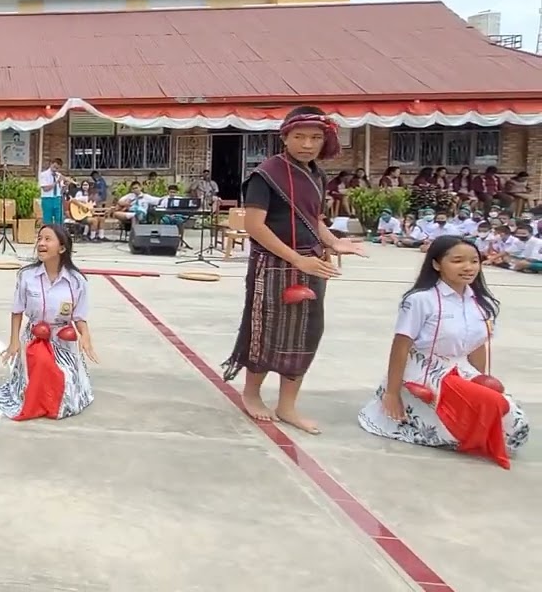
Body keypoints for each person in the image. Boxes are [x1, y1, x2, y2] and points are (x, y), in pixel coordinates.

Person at [221, 106, 365, 434]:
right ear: (284, 136)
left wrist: (333, 242)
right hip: (273, 266)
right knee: (265, 331)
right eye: (299, 136)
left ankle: (287, 405)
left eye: (315, 137)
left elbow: (313, 217)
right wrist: (296, 259)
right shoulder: (266, 174)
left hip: (312, 262)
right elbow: (255, 226)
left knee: (306, 333)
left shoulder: (316, 174)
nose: (307, 144)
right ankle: (252, 393)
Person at [358, 237, 528, 468]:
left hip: (461, 369)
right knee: (464, 426)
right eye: (457, 261)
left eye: (474, 261)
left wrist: (480, 381)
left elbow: (479, 345)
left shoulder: (481, 302)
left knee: (514, 423)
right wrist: (392, 392)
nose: (468, 267)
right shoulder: (420, 300)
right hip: (425, 370)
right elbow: (401, 346)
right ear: (437, 264)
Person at [0, 224, 98, 420]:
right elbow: (17, 311)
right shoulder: (26, 276)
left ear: (62, 248)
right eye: (39, 238)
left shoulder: (77, 281)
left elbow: (79, 317)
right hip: (34, 339)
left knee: (66, 390)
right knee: (37, 378)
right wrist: (14, 341)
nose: (41, 243)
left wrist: (85, 337)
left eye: (48, 239)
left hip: (63, 341)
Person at [37, 158, 64, 226]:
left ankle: (58, 234)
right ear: (51, 164)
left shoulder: (59, 175)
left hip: (58, 198)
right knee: (48, 220)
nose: (55, 169)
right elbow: (45, 189)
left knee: (59, 219)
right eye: (54, 167)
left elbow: (62, 191)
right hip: (47, 199)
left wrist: (66, 185)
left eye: (57, 168)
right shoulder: (43, 174)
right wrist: (56, 182)